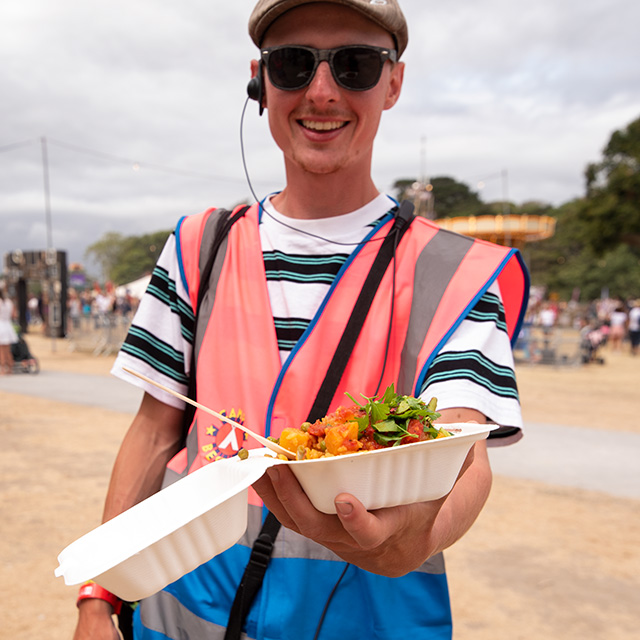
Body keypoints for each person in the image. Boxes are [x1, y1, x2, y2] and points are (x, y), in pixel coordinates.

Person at [72, 1, 528, 638]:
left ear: (394, 82)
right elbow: (154, 431)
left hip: (361, 618)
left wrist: (413, 537)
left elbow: (462, 449)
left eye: (355, 65)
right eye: (292, 64)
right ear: (259, 81)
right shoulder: (199, 247)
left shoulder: (451, 272)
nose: (321, 92)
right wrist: (100, 594)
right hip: (182, 614)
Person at [0, 289, 19, 374]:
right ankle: (10, 368)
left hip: (1, 325)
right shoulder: (9, 302)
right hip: (8, 326)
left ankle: (3, 368)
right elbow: (14, 315)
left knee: (1, 350)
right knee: (8, 350)